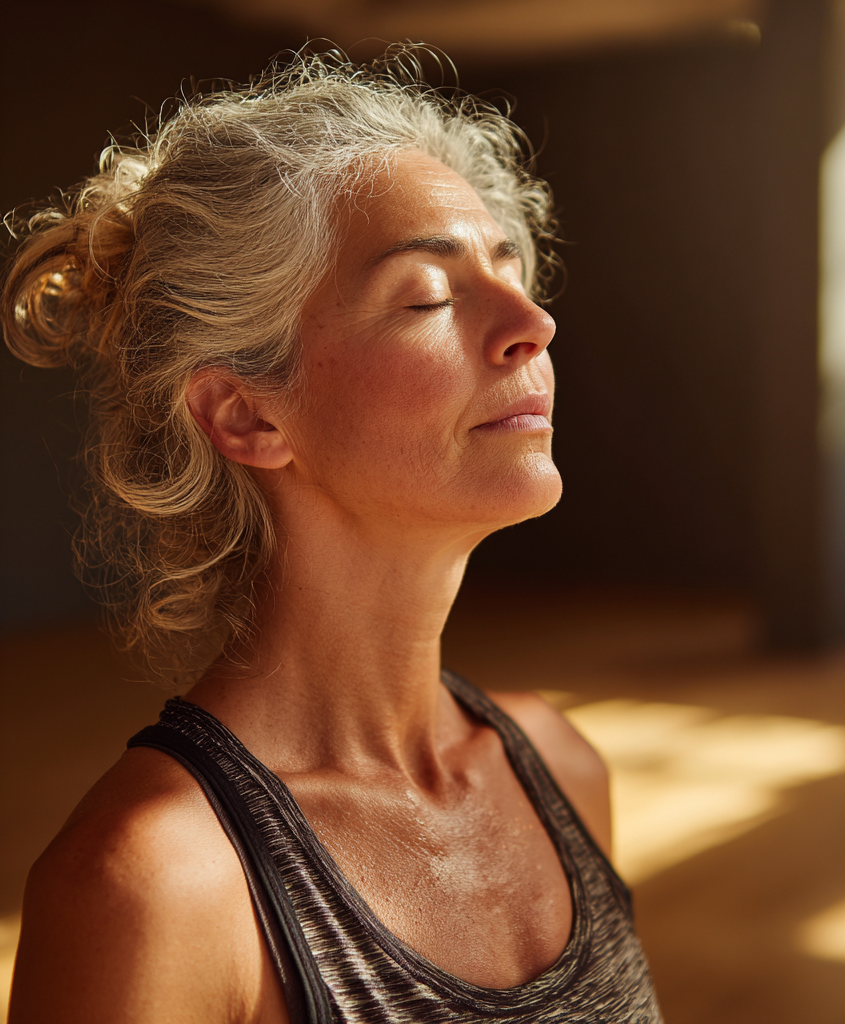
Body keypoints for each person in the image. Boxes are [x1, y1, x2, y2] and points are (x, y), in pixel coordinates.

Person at [2, 50, 662, 1023]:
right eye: (428, 298)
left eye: (511, 273)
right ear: (246, 416)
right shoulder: (150, 886)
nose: (531, 324)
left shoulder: (562, 769)